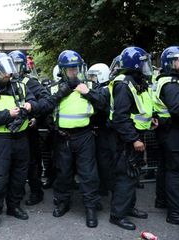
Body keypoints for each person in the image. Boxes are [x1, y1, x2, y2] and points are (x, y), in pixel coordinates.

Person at [0, 52, 37, 231]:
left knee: (19, 177)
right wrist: (8, 115)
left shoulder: (20, 86)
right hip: (1, 140)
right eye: (3, 71)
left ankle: (14, 207)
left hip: (21, 138)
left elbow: (32, 101)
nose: (7, 74)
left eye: (8, 70)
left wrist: (29, 108)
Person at [50, 50, 103, 228]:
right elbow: (45, 108)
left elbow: (104, 105)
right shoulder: (55, 87)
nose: (73, 72)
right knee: (63, 173)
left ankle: (90, 208)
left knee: (88, 174)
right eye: (69, 69)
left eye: (76, 68)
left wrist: (88, 93)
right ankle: (63, 202)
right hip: (63, 137)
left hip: (85, 135)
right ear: (63, 70)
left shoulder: (89, 86)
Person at [109, 47, 153, 230]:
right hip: (126, 139)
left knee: (133, 175)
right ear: (135, 65)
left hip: (132, 135)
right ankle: (117, 215)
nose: (146, 66)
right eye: (143, 62)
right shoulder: (123, 84)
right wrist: (134, 139)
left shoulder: (134, 82)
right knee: (125, 177)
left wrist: (152, 119)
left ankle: (129, 207)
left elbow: (137, 110)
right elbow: (120, 117)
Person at [153, 46, 179, 228]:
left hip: (167, 131)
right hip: (175, 133)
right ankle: (176, 214)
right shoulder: (170, 83)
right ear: (169, 62)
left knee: (166, 168)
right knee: (177, 172)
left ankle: (162, 201)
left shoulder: (168, 81)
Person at [8, 50, 53, 206]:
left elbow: (46, 101)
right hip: (11, 131)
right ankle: (17, 191)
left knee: (32, 163)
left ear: (23, 67)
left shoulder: (31, 82)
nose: (14, 69)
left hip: (29, 130)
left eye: (17, 65)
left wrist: (36, 117)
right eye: (11, 65)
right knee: (14, 163)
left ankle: (36, 192)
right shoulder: (5, 82)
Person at [87, 63, 115, 196]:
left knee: (104, 161)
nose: (91, 79)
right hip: (103, 130)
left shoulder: (104, 90)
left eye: (93, 76)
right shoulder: (107, 88)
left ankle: (104, 187)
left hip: (104, 131)